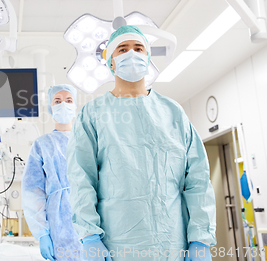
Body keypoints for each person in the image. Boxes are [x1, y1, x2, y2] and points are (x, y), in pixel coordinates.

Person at [66, 25, 216, 261]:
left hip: (172, 244)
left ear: (147, 58)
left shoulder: (173, 113)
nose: (132, 54)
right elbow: (81, 179)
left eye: (138, 48)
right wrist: (90, 236)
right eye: (122, 49)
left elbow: (197, 179)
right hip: (118, 245)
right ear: (111, 62)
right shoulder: (93, 115)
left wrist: (200, 239)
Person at [22, 84, 84, 261]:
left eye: (69, 100)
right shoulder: (43, 144)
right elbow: (33, 192)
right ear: (50, 108)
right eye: (57, 101)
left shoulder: (87, 140)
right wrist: (42, 233)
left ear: (75, 106)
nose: (63, 104)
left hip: (90, 222)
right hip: (60, 223)